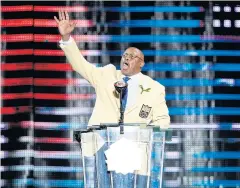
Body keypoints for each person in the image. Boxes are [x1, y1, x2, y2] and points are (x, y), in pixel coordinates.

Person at [54, 10, 170, 129]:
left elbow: (162, 121)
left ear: (141, 64)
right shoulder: (107, 74)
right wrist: (66, 37)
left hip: (134, 146)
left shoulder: (155, 88)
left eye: (132, 57)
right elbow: (80, 64)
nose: (126, 58)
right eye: (125, 55)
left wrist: (145, 131)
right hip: (102, 144)